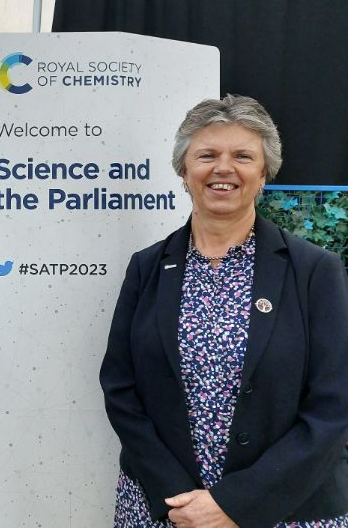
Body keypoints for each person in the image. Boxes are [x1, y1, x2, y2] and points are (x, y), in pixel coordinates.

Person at [100, 95, 348, 527]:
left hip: (287, 508)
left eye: (243, 156)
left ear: (264, 172)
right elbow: (121, 388)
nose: (223, 168)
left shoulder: (315, 272)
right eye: (207, 154)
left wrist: (234, 503)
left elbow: (333, 407)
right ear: (184, 170)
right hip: (165, 507)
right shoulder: (148, 268)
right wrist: (179, 498)